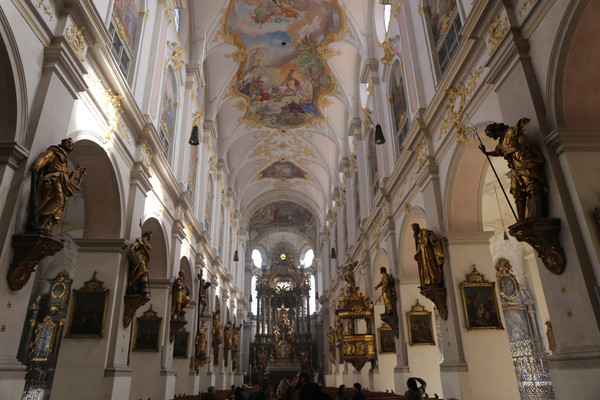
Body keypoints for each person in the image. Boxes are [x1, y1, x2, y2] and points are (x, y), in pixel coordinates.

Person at [479, 118, 548, 221]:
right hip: (514, 167)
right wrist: (486, 153)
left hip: (523, 161)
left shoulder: (511, 132)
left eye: (489, 134)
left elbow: (522, 138)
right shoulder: (501, 142)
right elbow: (498, 152)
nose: (490, 137)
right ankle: (521, 220)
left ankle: (538, 213)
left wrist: (521, 145)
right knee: (517, 192)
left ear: (494, 130)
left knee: (532, 185)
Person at [28, 138, 79, 234]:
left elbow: (65, 173)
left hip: (61, 183)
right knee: (58, 202)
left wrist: (73, 176)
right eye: (69, 143)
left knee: (59, 206)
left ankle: (47, 227)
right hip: (53, 180)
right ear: (63, 142)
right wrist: (37, 164)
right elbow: (45, 157)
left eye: (72, 145)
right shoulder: (55, 151)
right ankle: (40, 225)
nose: (70, 145)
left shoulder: (65, 159)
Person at [127, 231, 152, 297]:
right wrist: (132, 249)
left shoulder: (144, 242)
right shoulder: (139, 240)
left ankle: (141, 288)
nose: (150, 237)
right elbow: (135, 245)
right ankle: (141, 288)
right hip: (139, 258)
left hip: (143, 259)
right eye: (150, 236)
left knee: (143, 273)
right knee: (144, 272)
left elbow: (150, 248)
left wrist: (145, 242)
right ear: (148, 236)